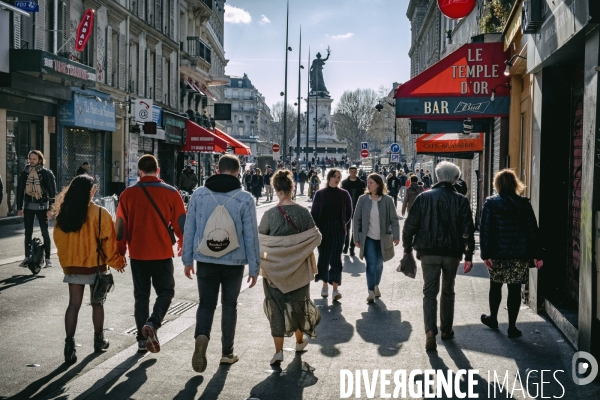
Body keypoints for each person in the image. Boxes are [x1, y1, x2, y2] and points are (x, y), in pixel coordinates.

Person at [183, 154, 259, 373]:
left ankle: (202, 338)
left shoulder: (199, 194)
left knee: (206, 303)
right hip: (234, 262)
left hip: (205, 259)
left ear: (217, 169)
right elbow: (251, 236)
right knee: (229, 305)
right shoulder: (245, 198)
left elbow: (190, 229)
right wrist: (254, 267)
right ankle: (227, 353)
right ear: (237, 172)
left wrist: (188, 259)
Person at [116, 154, 186, 353]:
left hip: (137, 253)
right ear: (158, 170)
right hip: (162, 252)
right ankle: (153, 324)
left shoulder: (127, 194)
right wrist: (182, 244)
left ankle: (141, 339)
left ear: (139, 171)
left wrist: (120, 253)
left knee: (141, 296)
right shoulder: (171, 192)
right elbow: (181, 222)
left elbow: (120, 227)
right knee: (166, 292)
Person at [52, 175, 126, 363]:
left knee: (73, 305)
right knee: (97, 303)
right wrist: (117, 262)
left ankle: (69, 346)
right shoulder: (100, 213)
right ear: (91, 191)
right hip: (95, 266)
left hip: (73, 267)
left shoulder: (64, 213)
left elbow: (59, 242)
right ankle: (98, 340)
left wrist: (67, 264)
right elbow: (109, 242)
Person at [402, 161, 475, 351]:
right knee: (448, 291)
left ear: (438, 176)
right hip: (452, 253)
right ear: (456, 179)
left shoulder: (424, 198)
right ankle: (446, 330)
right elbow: (468, 229)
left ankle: (430, 333)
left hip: (428, 252)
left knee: (429, 293)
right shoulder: (461, 200)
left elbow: (410, 225)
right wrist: (468, 255)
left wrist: (407, 248)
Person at [258, 170, 322, 364]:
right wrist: (296, 249)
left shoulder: (269, 215)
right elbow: (316, 237)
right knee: (298, 306)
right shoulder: (303, 213)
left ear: (276, 190)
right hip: (299, 270)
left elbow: (260, 242)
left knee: (276, 308)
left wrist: (272, 258)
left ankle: (278, 352)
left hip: (273, 272)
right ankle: (299, 341)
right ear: (292, 187)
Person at [480, 169, 543, 338]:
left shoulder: (491, 203)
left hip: (497, 254)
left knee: (496, 286)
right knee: (514, 289)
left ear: (497, 184)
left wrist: (485, 255)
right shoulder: (523, 203)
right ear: (515, 184)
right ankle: (512, 327)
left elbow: (485, 231)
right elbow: (532, 230)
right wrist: (537, 254)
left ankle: (493, 318)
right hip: (519, 254)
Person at [353, 174, 400, 303]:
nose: (368, 185)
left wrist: (396, 236)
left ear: (378, 184)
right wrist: (356, 237)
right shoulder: (363, 199)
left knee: (379, 265)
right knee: (371, 265)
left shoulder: (387, 200)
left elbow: (394, 220)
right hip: (368, 238)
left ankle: (376, 285)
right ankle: (371, 292)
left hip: (383, 238)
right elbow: (356, 219)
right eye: (368, 182)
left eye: (371, 182)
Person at [311, 169, 352, 300]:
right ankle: (324, 286)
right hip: (323, 229)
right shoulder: (320, 194)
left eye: (339, 177)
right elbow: (314, 213)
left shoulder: (344, 194)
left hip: (338, 229)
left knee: (336, 258)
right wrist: (316, 228)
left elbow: (349, 212)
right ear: (329, 178)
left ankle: (335, 289)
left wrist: (342, 225)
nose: (337, 179)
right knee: (323, 258)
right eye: (334, 176)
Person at [17, 150, 57, 268]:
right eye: (30, 159)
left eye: (34, 159)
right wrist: (19, 207)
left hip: (42, 207)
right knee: (27, 233)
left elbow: (52, 193)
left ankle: (48, 258)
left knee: (45, 232)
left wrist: (51, 209)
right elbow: (20, 191)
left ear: (40, 160)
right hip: (29, 206)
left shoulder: (47, 173)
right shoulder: (25, 173)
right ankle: (26, 258)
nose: (31, 161)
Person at [341, 166, 366, 256]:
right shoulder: (344, 183)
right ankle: (346, 246)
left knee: (355, 229)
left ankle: (352, 247)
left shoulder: (361, 183)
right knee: (346, 229)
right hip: (346, 209)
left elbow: (365, 196)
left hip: (358, 209)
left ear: (357, 172)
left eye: (355, 171)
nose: (353, 173)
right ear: (349, 172)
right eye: (351, 171)